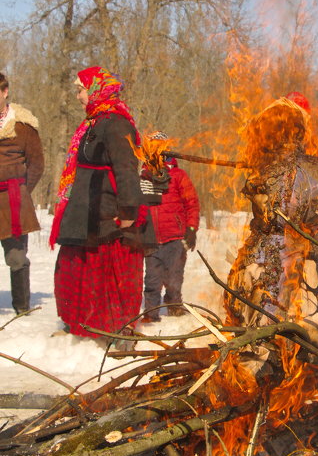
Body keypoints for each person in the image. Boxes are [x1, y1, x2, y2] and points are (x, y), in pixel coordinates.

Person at [224, 92, 318, 345]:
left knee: (256, 320)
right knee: (281, 327)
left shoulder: (263, 167)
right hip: (290, 254)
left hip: (260, 251)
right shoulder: (312, 168)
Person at [51, 66, 155, 343]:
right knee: (74, 270)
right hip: (86, 211)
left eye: (81, 89)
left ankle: (116, 332)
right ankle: (81, 324)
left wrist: (128, 213)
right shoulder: (94, 122)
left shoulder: (117, 124)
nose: (78, 96)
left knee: (110, 277)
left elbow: (126, 169)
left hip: (108, 214)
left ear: (97, 89)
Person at [140, 132, 200, 322]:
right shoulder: (143, 177)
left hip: (175, 237)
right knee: (152, 280)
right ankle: (151, 313)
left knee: (174, 279)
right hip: (150, 238)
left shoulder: (178, 176)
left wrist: (191, 229)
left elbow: (192, 203)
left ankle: (174, 306)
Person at [0, 72, 44, 315]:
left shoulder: (23, 126)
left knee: (16, 258)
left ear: (5, 92)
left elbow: (37, 163)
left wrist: (23, 191)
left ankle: (21, 309)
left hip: (13, 199)